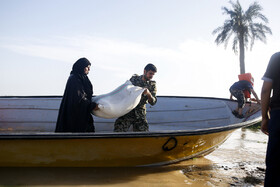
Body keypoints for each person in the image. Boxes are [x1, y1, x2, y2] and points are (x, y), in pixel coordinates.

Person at [55, 57, 99, 133]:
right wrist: (92, 106)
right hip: (75, 115)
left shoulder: (81, 78)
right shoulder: (75, 79)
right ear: (81, 67)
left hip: (81, 113)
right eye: (87, 67)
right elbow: (78, 98)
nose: (89, 70)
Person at [114, 63, 157, 132]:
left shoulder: (152, 85)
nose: (151, 76)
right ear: (144, 71)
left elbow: (153, 102)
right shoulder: (134, 79)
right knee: (118, 129)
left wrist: (148, 94)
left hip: (140, 114)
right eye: (150, 73)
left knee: (143, 135)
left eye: (153, 74)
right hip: (128, 110)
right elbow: (124, 91)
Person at [261, 52, 280, 187]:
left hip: (278, 114)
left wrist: (264, 118)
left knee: (274, 161)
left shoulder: (277, 57)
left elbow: (266, 90)